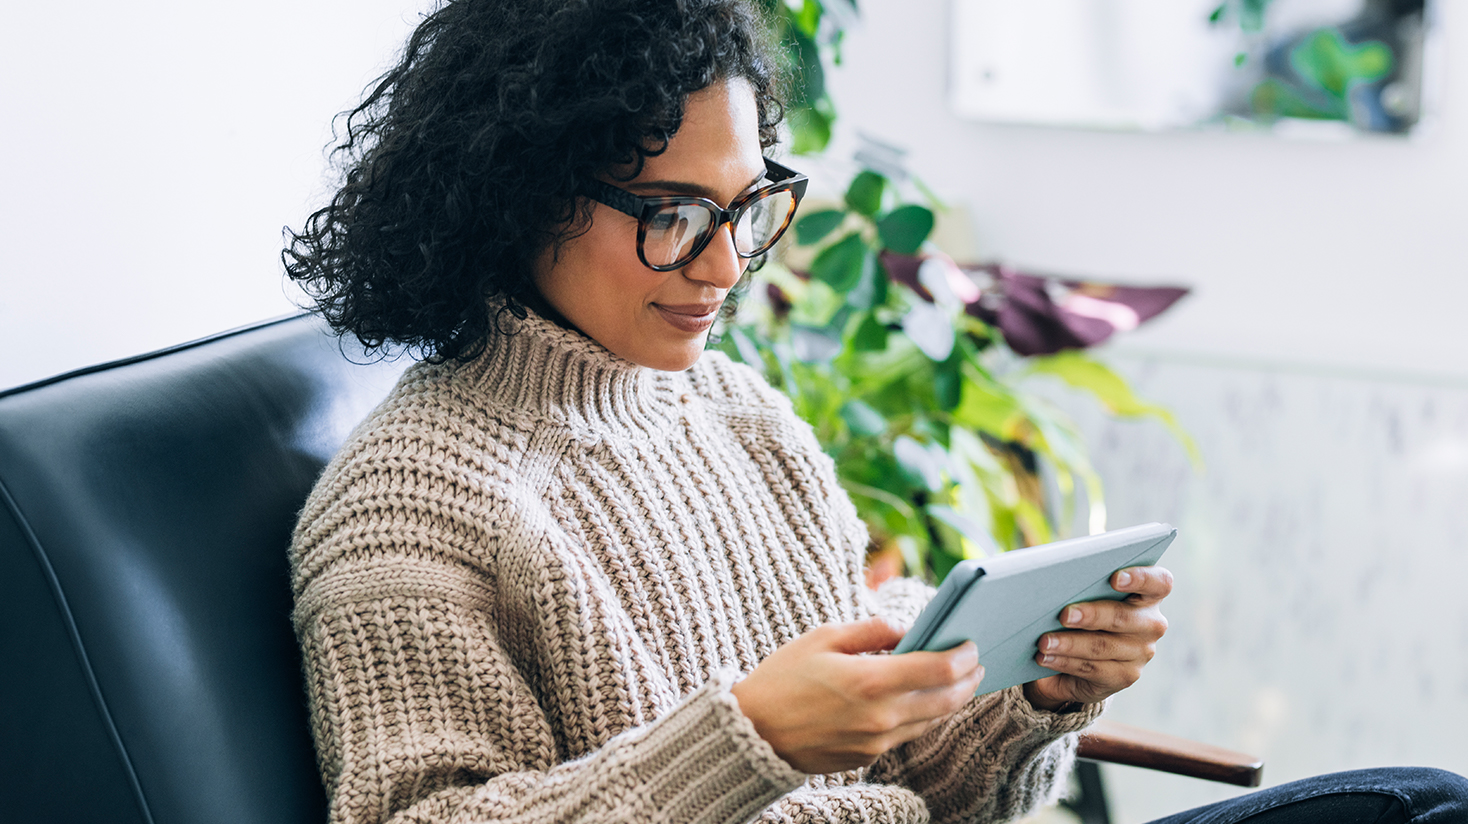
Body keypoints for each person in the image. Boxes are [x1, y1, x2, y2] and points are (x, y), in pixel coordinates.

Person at [282, 1, 1468, 823]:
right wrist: (749, 738)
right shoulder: (409, 507)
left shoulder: (736, 414)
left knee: (1422, 801)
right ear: (517, 192)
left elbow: (920, 785)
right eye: (671, 212)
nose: (721, 265)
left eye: (750, 207)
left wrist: (1031, 691)